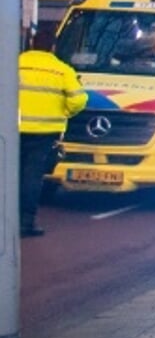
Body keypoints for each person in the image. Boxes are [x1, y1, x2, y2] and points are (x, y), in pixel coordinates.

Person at [18, 33, 87, 237]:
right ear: (53, 47)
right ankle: (26, 222)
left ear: (31, 43)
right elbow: (78, 100)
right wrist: (64, 112)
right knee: (32, 176)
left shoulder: (13, 64)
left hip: (12, 130)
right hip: (44, 132)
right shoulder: (62, 70)